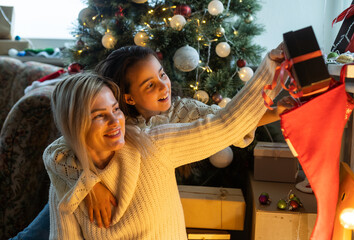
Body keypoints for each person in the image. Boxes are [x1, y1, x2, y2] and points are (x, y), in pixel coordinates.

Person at [10, 45, 290, 239]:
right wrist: (89, 182)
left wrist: (275, 94)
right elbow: (56, 151)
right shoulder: (70, 163)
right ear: (128, 97)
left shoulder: (166, 128)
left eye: (162, 75)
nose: (163, 86)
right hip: (80, 170)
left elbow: (227, 122)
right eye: (149, 85)